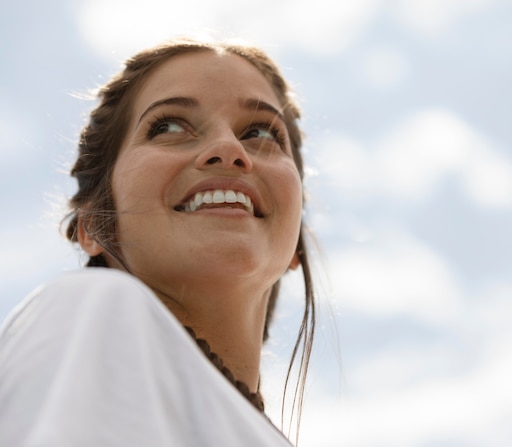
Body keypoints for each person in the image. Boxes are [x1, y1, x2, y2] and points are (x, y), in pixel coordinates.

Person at [0, 36, 317, 446]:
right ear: (94, 224)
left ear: (296, 245)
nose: (228, 148)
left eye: (260, 132)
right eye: (168, 126)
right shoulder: (96, 305)